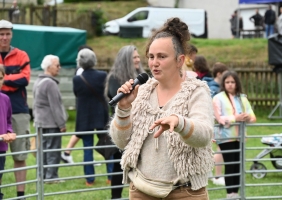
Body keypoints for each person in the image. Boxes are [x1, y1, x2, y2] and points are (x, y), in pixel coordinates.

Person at [110, 17, 214, 199]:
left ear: (180, 60)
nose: (154, 63)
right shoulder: (141, 92)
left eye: (162, 56)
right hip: (142, 190)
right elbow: (121, 142)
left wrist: (180, 123)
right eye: (151, 56)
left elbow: (204, 135)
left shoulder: (196, 91)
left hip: (186, 192)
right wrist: (124, 109)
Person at [105, 45, 145, 199]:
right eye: (134, 57)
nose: (138, 59)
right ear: (126, 60)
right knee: (118, 165)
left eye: (138, 56)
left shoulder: (141, 76)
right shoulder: (115, 78)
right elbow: (118, 101)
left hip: (139, 127)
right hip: (123, 126)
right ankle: (116, 196)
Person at [212, 71, 256, 199]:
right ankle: (230, 194)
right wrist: (235, 118)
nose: (230, 85)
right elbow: (219, 118)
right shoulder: (217, 98)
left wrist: (247, 117)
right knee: (230, 165)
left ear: (237, 83)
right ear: (223, 83)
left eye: (232, 82)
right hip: (225, 137)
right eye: (227, 82)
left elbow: (253, 117)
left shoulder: (242, 98)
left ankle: (235, 194)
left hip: (240, 137)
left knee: (238, 165)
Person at [0, 19, 30, 200]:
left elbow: (24, 79)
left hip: (18, 110)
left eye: (7, 34)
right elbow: (17, 79)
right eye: (1, 34)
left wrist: (5, 79)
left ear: (11, 35)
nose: (4, 37)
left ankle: (21, 195)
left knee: (20, 154)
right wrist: (13, 78)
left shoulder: (21, 55)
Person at [72, 48, 109, 186]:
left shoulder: (77, 79)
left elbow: (77, 94)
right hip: (101, 114)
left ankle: (89, 179)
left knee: (87, 148)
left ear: (80, 62)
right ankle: (110, 176)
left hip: (84, 116)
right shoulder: (102, 75)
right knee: (107, 145)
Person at [32, 55, 67, 182]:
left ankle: (42, 176)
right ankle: (51, 177)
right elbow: (55, 106)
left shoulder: (38, 81)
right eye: (57, 65)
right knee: (53, 151)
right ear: (49, 67)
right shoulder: (50, 83)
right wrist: (61, 124)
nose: (59, 68)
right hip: (51, 123)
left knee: (42, 151)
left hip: (40, 122)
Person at [202, 62, 228, 186]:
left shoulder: (214, 87)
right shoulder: (213, 89)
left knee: (208, 148)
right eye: (225, 75)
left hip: (213, 121)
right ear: (219, 74)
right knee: (219, 148)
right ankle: (217, 176)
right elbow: (209, 105)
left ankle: (208, 172)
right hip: (212, 121)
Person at [0, 64, 17, 200]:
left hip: (1, 147)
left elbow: (8, 121)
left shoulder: (5, 99)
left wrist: (9, 132)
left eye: (0, 78)